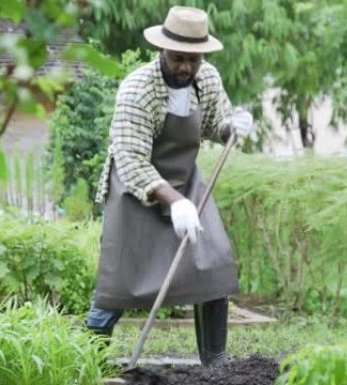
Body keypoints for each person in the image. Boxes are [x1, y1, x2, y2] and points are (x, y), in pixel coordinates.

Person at [86, 5, 254, 367]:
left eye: (193, 60)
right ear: (162, 50)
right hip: (136, 190)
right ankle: (86, 358)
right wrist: (174, 202)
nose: (185, 68)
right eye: (178, 58)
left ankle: (216, 364)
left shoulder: (206, 79)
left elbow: (216, 123)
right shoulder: (138, 89)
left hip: (186, 182)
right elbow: (130, 159)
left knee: (214, 263)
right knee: (120, 279)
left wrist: (233, 127)